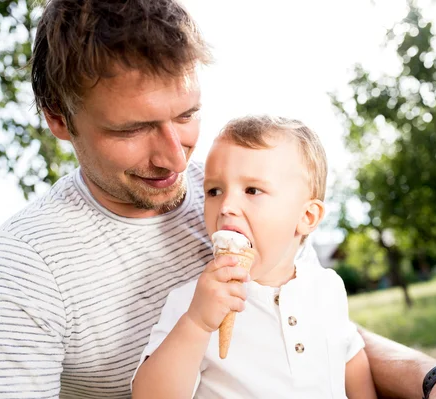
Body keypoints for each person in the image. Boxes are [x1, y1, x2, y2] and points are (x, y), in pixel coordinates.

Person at [0, 0, 436, 398]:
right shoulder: (23, 267)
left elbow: (319, 327)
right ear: (59, 119)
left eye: (187, 115)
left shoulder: (234, 185)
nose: (176, 159)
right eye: (131, 131)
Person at [132, 115, 378, 399]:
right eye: (214, 191)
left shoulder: (328, 287)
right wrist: (197, 324)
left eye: (252, 190)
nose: (225, 206)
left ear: (307, 216)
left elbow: (350, 357)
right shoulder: (192, 302)